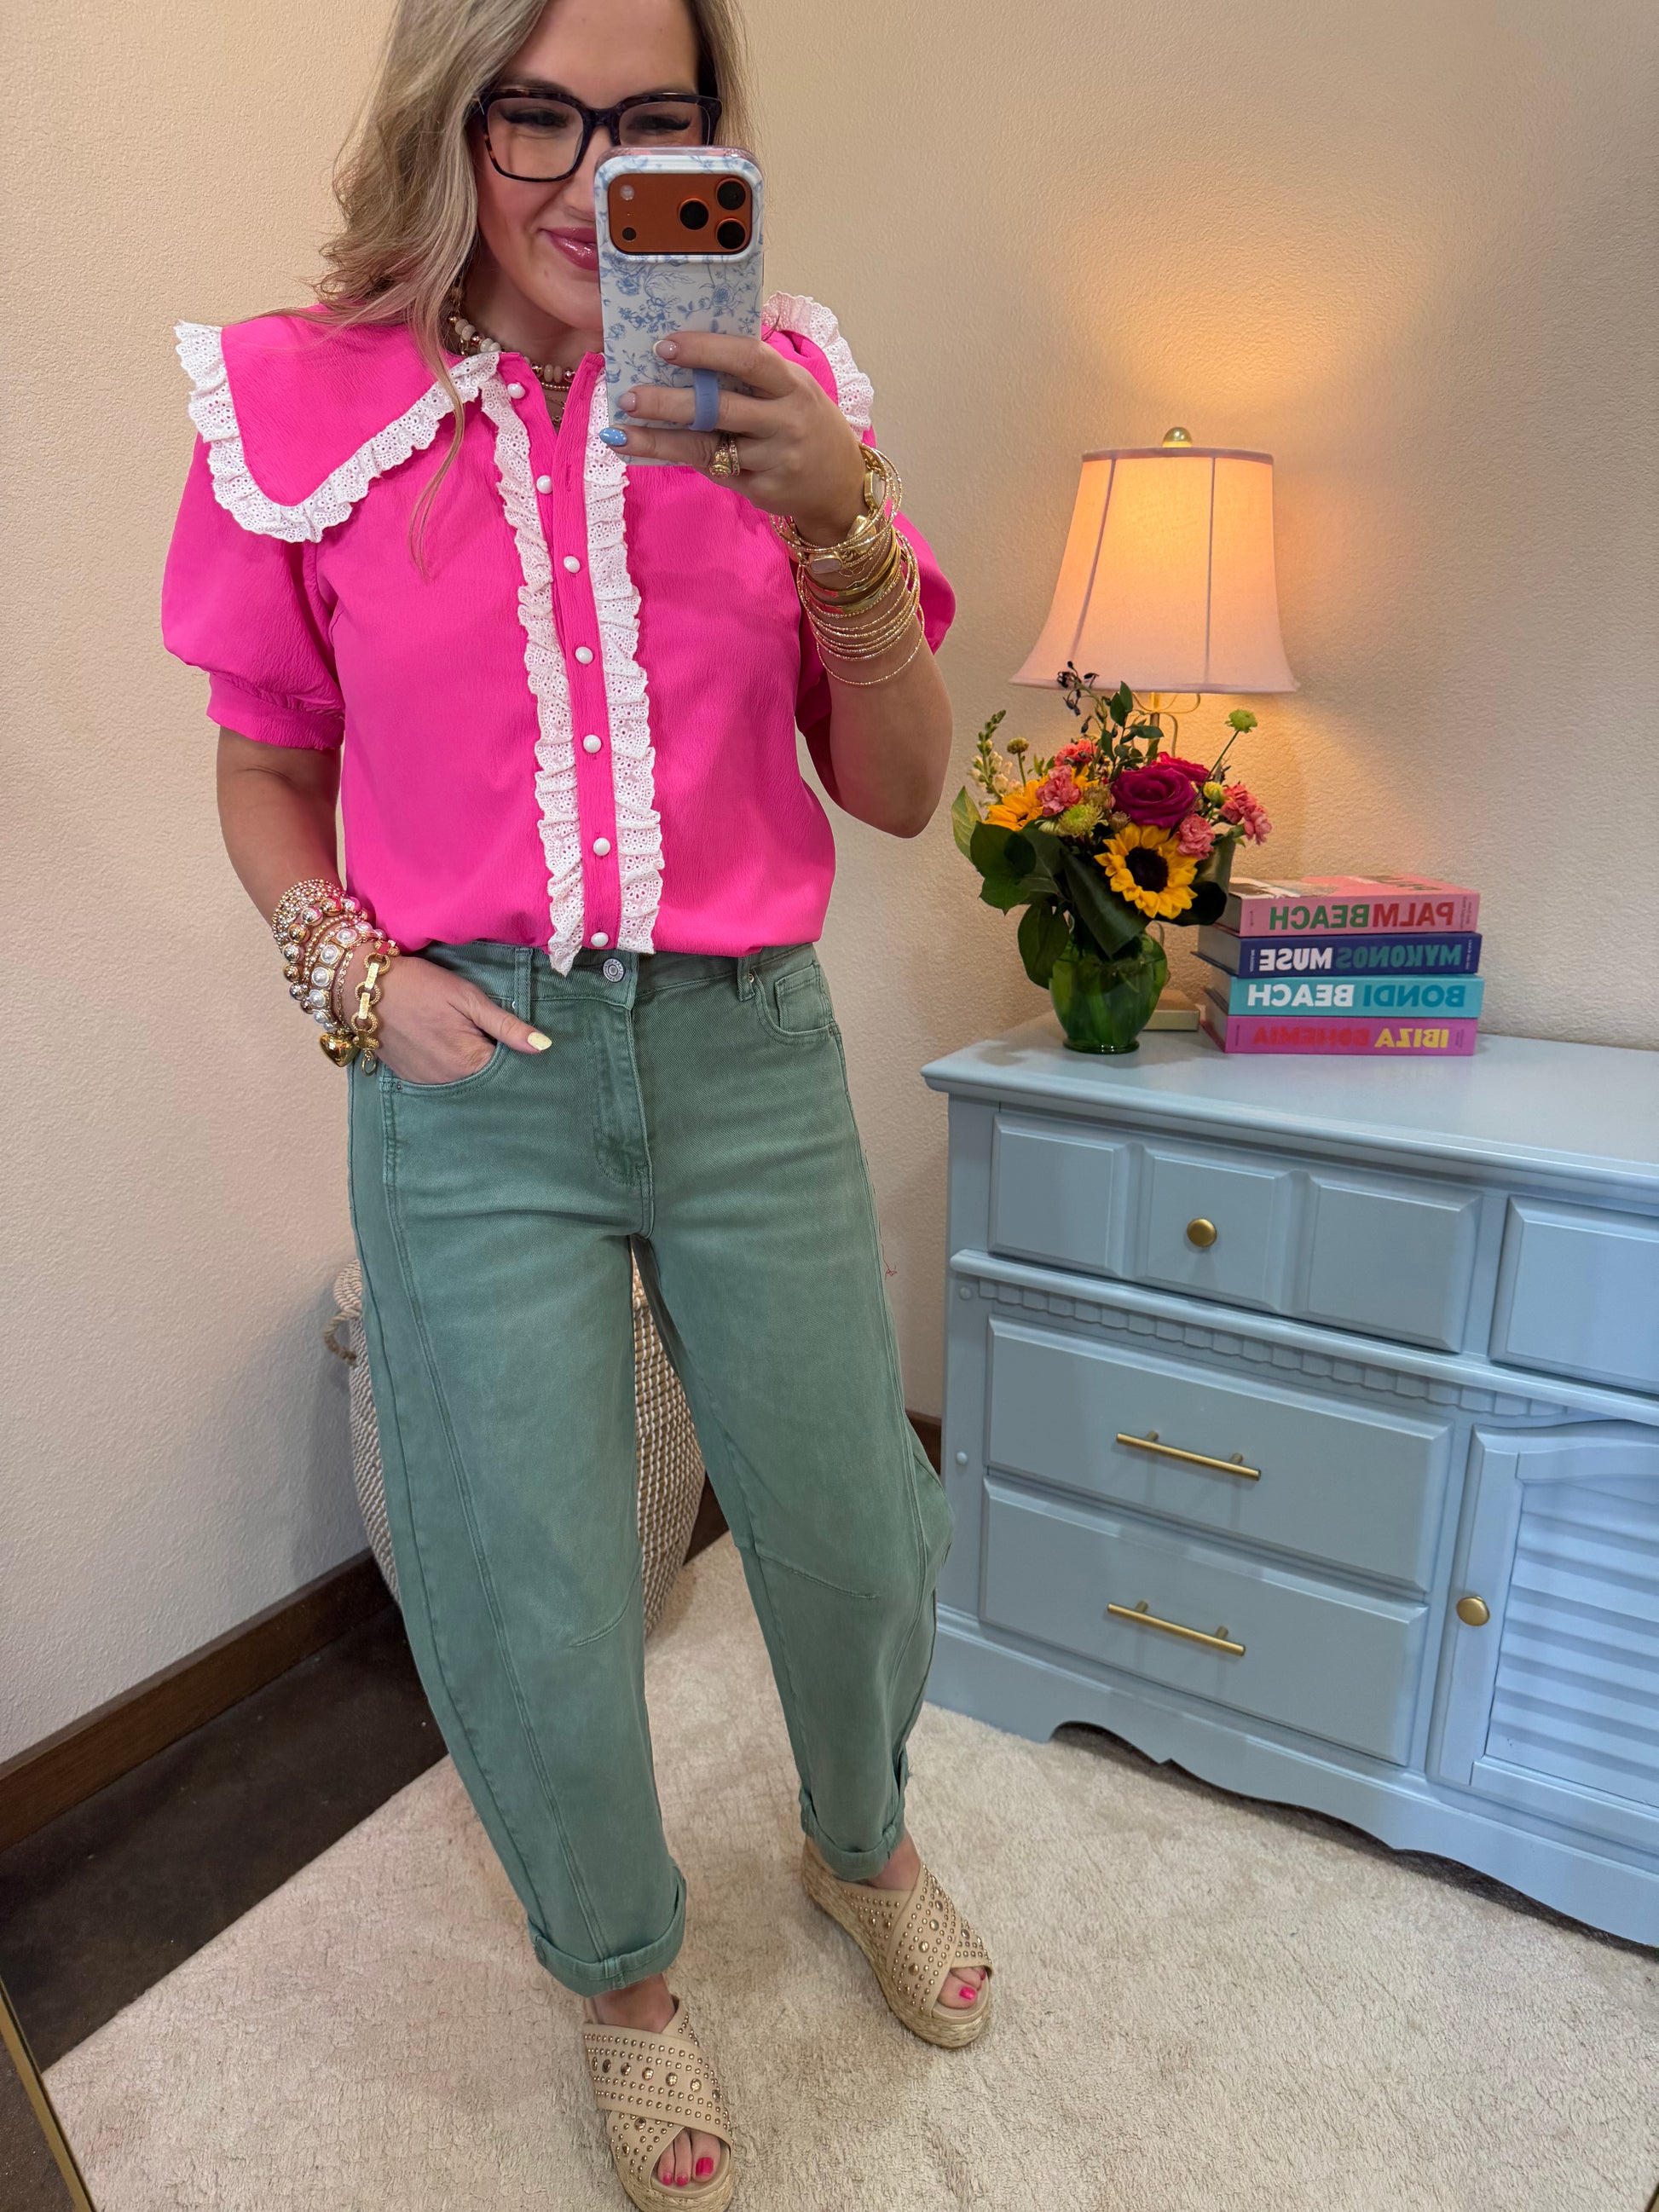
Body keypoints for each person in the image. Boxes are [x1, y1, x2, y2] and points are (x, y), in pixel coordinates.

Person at [161, 0, 991, 2201]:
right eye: (534, 114)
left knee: (848, 1518)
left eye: (650, 121)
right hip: (476, 1073)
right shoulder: (305, 408)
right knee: (532, 1568)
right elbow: (265, 764)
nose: (586, 173)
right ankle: (622, 1977)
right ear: (451, 120)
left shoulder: (777, 390)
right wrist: (358, 977)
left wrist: (840, 529)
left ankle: (860, 1841)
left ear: (711, 142)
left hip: (744, 1049)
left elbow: (902, 792)